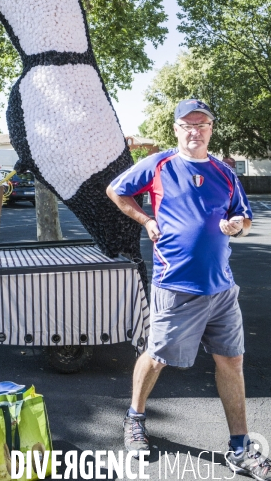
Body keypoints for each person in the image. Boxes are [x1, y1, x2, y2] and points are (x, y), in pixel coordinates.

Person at [106, 99, 271, 480]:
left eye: (202, 123)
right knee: (158, 356)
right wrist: (146, 219)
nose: (194, 130)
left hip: (221, 287)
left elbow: (243, 217)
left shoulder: (225, 173)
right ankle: (135, 418)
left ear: (212, 128)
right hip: (175, 283)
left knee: (232, 361)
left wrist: (236, 226)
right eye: (187, 124)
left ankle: (240, 448)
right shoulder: (160, 164)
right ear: (176, 129)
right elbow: (117, 190)